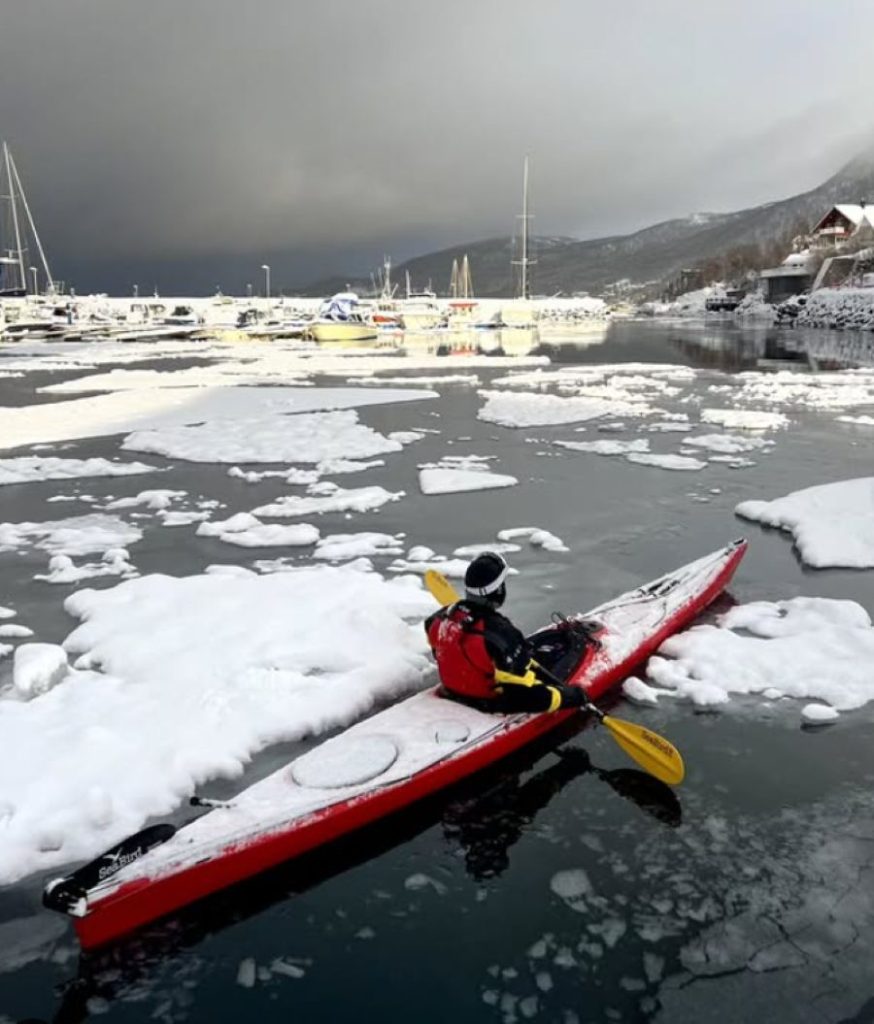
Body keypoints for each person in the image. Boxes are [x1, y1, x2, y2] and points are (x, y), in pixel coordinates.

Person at [425, 552, 589, 713]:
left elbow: (445, 649)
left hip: (453, 691)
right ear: (497, 591)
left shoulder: (438, 620)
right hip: (488, 703)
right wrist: (570, 697)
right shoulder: (500, 634)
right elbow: (524, 698)